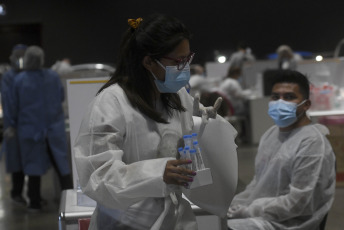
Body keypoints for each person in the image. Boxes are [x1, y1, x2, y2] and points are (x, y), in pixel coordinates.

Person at [73, 14, 223, 230]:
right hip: (125, 222)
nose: (185, 68)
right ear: (149, 61)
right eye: (179, 62)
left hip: (173, 217)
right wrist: (156, 173)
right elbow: (98, 177)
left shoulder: (176, 96)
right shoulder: (110, 103)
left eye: (188, 58)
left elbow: (184, 144)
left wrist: (205, 127)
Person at [227, 70, 336, 230]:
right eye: (275, 97)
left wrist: (250, 210)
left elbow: (299, 203)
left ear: (306, 104)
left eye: (289, 97)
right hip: (262, 216)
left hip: (290, 223)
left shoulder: (312, 143)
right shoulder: (271, 134)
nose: (280, 102)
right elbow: (259, 183)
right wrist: (235, 204)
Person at [9, 46, 73, 211]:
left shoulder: (19, 80)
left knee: (33, 168)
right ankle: (71, 202)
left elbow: (13, 106)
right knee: (62, 166)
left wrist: (12, 125)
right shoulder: (52, 76)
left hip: (30, 130)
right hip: (54, 128)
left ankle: (35, 203)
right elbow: (61, 96)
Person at [0, 44, 27, 206]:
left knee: (29, 161)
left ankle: (29, 194)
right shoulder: (9, 77)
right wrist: (11, 124)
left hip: (28, 125)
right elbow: (9, 102)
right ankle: (16, 192)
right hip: (15, 126)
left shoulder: (29, 76)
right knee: (17, 161)